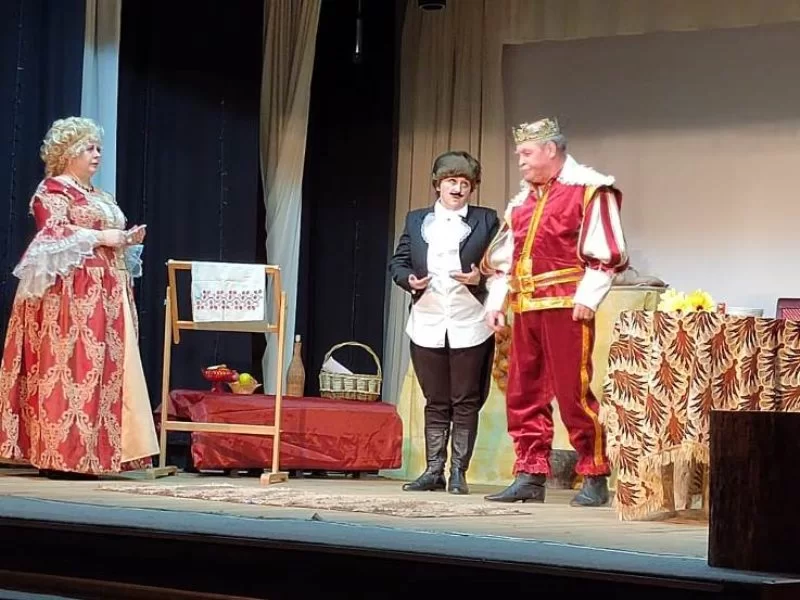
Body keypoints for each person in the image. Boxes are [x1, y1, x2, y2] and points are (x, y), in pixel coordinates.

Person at [0, 116, 160, 479]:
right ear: (68, 153)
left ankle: (97, 453)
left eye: (98, 148)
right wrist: (102, 237)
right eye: (89, 148)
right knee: (71, 367)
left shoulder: (100, 196)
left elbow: (107, 236)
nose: (97, 154)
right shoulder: (53, 190)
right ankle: (63, 454)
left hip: (108, 290)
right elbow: (51, 234)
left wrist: (126, 239)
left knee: (106, 370)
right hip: (70, 294)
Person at [480, 118, 628, 506]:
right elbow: (505, 261)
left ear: (551, 150)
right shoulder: (523, 203)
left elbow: (606, 254)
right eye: (519, 154)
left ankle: (594, 473)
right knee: (523, 391)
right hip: (526, 306)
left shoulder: (589, 190)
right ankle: (530, 473)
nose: (521, 161)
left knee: (572, 391)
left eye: (527, 153)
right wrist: (496, 303)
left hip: (567, 306)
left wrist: (588, 297)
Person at [389, 151, 499, 495]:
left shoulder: (486, 220)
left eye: (465, 182)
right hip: (428, 319)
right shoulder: (416, 220)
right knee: (436, 399)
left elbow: (500, 265)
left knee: (465, 400)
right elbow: (399, 262)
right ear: (438, 184)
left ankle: (458, 474)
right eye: (451, 181)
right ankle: (433, 470)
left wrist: (479, 278)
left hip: (470, 320)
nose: (458, 188)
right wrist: (409, 280)